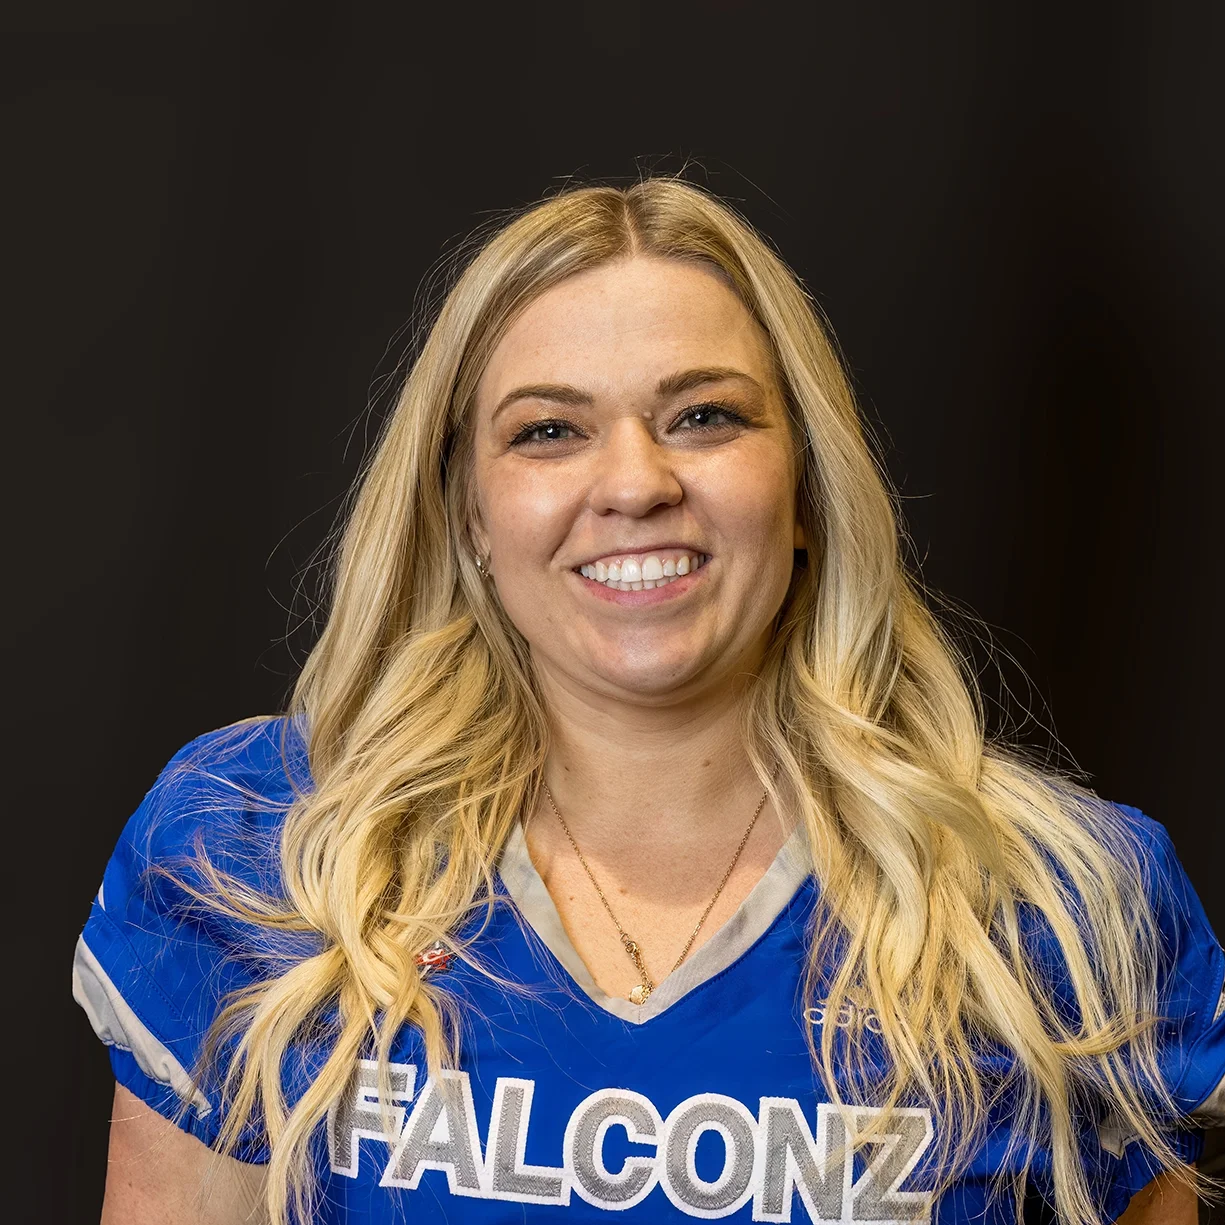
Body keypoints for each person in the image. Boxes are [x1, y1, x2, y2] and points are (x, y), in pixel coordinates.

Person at [73, 177, 1225, 1225]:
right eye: (549, 431)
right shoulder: (260, 843)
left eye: (704, 416)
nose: (634, 483)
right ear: (470, 513)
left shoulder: (1069, 905)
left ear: (806, 487)